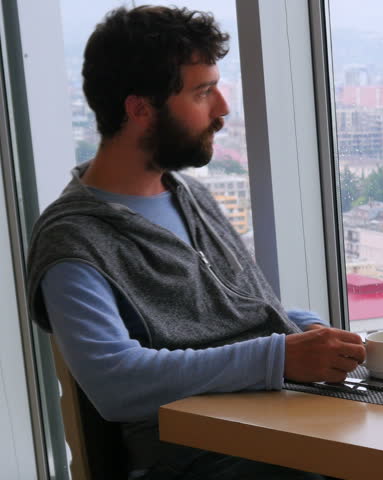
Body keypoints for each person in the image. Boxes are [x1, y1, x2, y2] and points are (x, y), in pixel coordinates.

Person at [25, 5, 364, 479]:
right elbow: (115, 382)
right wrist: (282, 355)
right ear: (139, 108)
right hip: (204, 458)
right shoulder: (74, 240)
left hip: (281, 428)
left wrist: (325, 340)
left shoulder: (192, 198)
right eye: (203, 92)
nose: (223, 109)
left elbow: (246, 316)